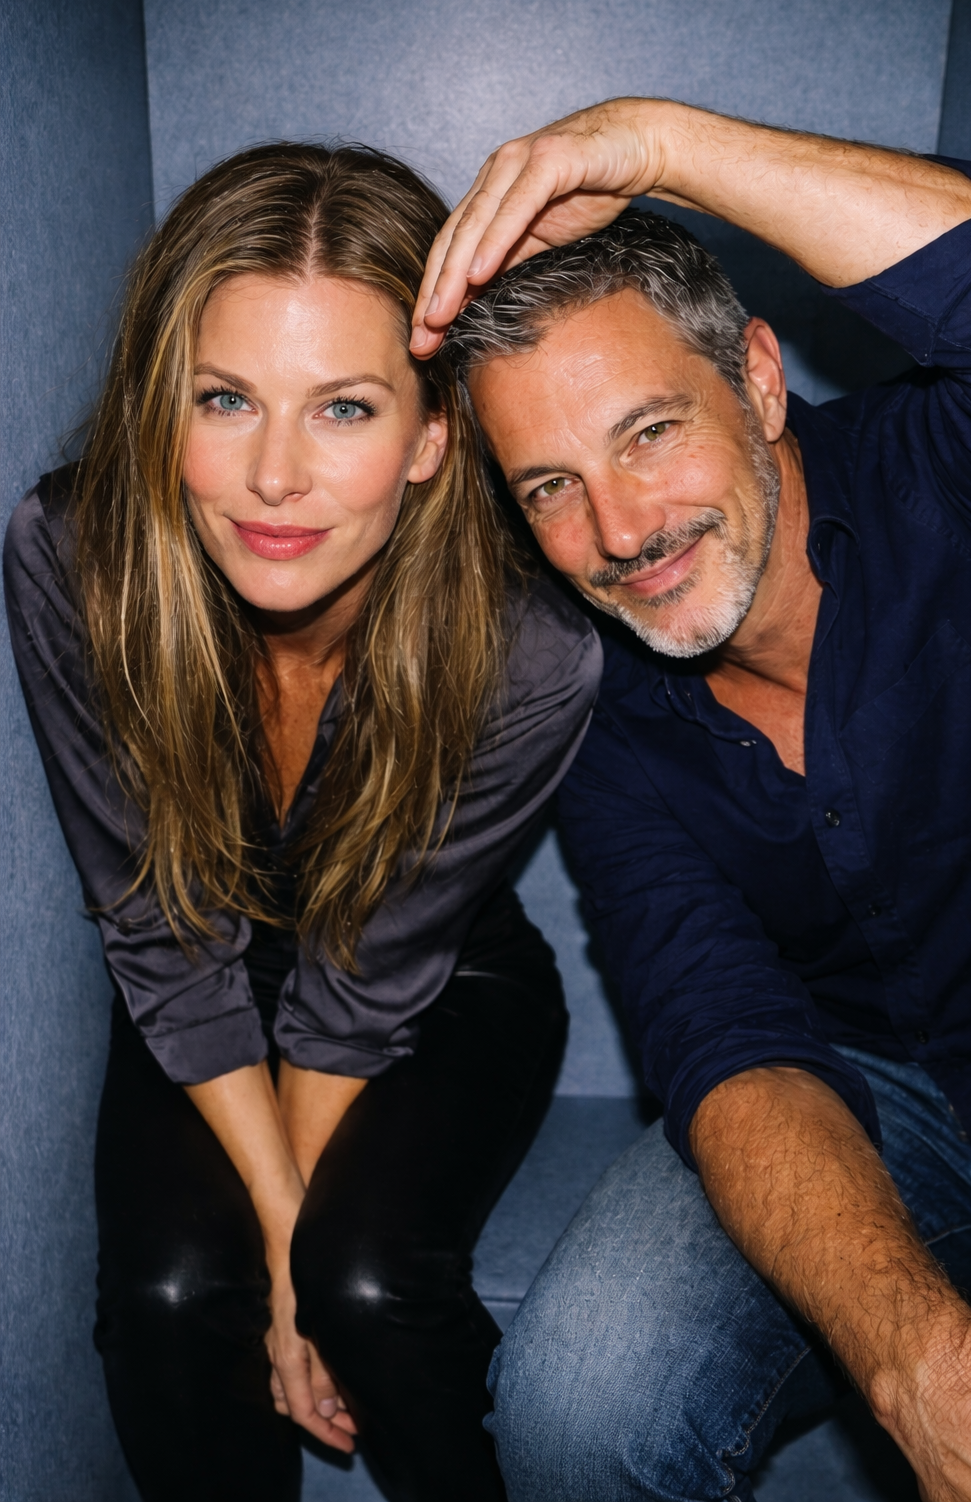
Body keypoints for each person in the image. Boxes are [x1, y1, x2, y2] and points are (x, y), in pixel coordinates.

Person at [413, 99, 971, 1500]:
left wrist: (659, 145)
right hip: (864, 1088)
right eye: (553, 485)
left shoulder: (967, 471)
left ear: (756, 380)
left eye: (647, 432)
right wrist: (918, 1360)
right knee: (574, 1404)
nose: (620, 533)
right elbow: (722, 1035)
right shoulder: (606, 707)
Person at [3, 141, 601, 1502]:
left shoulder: (528, 648)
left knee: (370, 1283)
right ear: (166, 407)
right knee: (164, 1297)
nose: (274, 478)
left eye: (343, 410)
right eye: (226, 400)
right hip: (204, 967)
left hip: (440, 976)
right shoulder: (74, 559)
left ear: (433, 435)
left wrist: (307, 1283)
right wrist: (277, 1260)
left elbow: (366, 979)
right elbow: (156, 928)